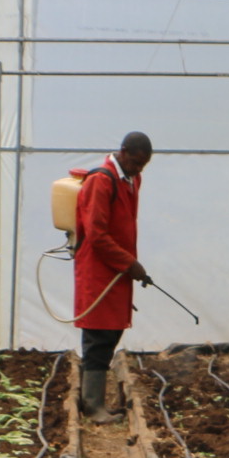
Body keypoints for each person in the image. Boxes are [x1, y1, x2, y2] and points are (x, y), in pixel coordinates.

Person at [74, 131, 151, 421]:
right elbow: (96, 234)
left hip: (116, 270)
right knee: (98, 334)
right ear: (123, 152)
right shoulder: (101, 181)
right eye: (135, 162)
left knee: (112, 330)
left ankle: (95, 402)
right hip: (99, 270)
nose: (138, 169)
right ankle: (93, 406)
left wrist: (128, 265)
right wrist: (129, 263)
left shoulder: (131, 180)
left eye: (143, 166)